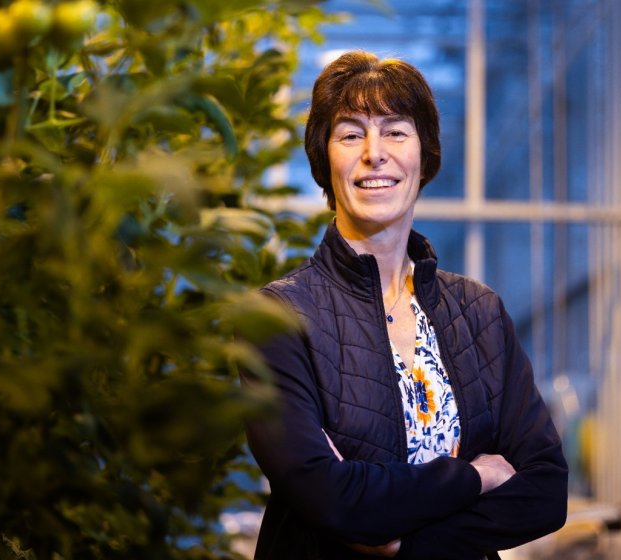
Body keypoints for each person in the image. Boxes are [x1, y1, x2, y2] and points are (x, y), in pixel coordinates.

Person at [240, 50, 568, 559]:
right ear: (325, 159)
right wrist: (475, 476)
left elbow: (545, 491)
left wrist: (403, 547)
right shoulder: (279, 318)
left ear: (425, 153)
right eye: (351, 134)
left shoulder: (478, 311)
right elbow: (333, 500)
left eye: (396, 131)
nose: (375, 153)